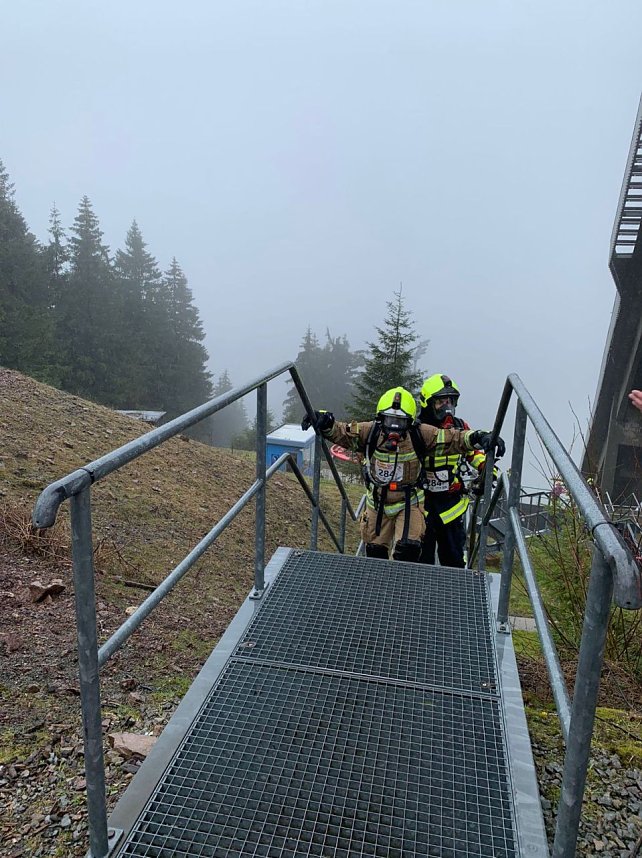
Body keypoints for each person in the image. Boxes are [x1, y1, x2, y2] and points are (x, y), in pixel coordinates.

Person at [302, 386, 504, 563]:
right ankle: (378, 588)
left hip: (409, 502)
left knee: (408, 550)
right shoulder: (369, 431)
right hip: (377, 502)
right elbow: (343, 432)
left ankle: (401, 589)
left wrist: (479, 437)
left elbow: (452, 438)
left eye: (400, 421)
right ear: (380, 418)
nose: (394, 428)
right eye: (389, 420)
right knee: (375, 552)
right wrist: (324, 420)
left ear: (411, 422)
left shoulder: (420, 434)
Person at [417, 373, 505, 568]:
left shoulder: (460, 426)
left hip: (451, 505)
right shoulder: (418, 430)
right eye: (441, 402)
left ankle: (452, 587)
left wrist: (487, 470)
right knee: (421, 561)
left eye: (450, 401)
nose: (447, 407)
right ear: (427, 403)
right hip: (422, 505)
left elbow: (473, 453)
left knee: (454, 560)